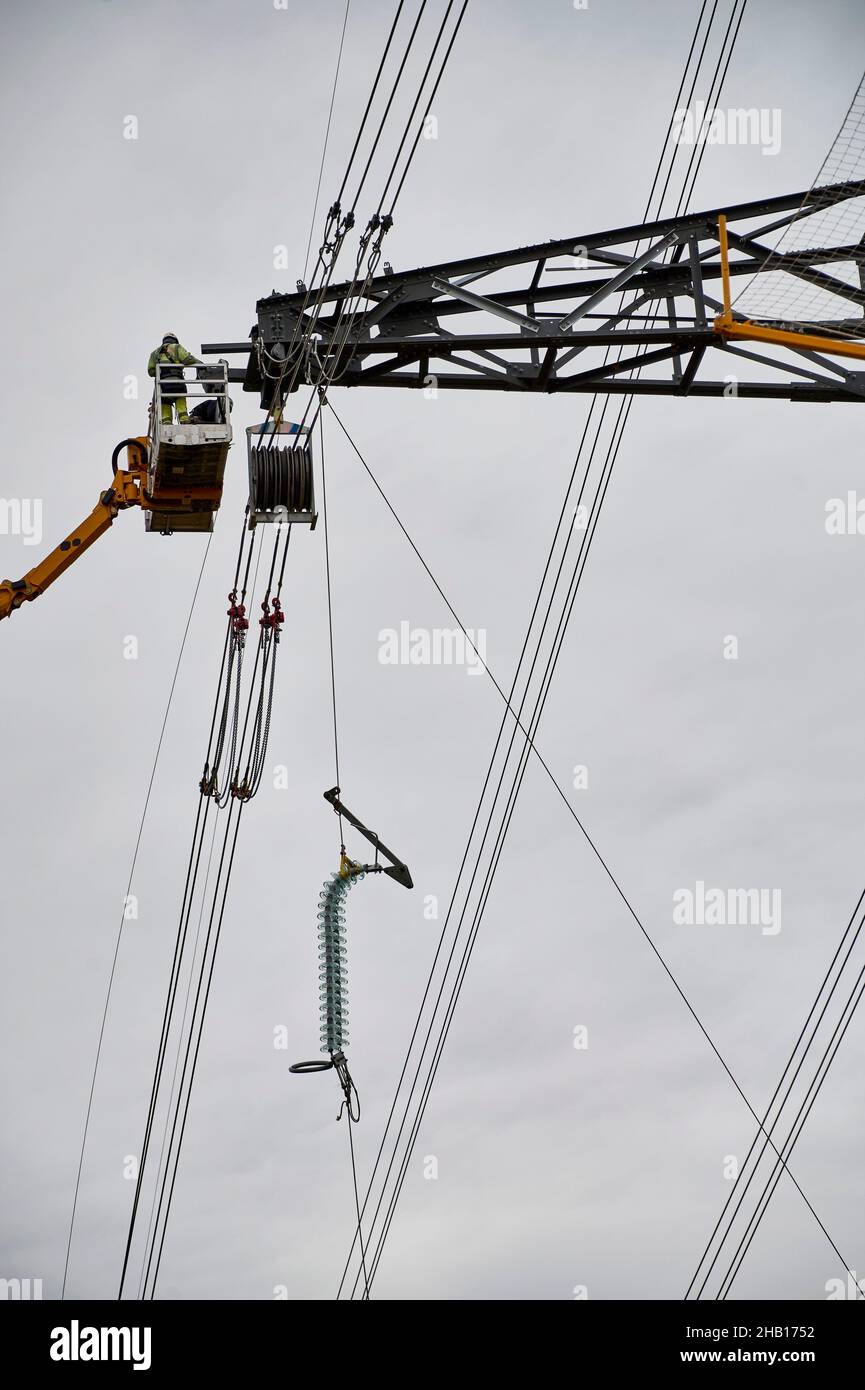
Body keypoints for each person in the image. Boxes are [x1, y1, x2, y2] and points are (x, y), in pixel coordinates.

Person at [147, 333, 201, 424]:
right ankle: (184, 420)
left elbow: (151, 371)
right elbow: (187, 359)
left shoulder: (155, 353)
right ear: (175, 340)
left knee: (165, 402)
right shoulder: (176, 347)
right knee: (180, 399)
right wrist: (199, 363)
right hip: (177, 383)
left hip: (163, 386)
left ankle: (166, 423)